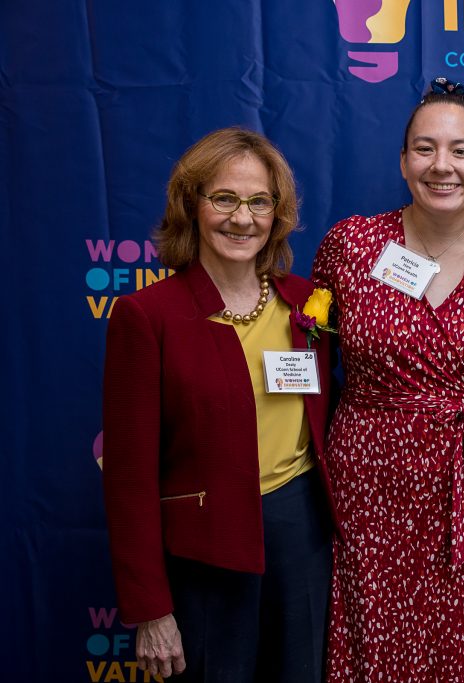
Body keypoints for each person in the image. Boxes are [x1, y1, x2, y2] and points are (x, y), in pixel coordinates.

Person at [311, 78, 464, 681]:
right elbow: (310, 353)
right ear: (403, 160)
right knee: (377, 643)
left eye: (460, 150)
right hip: (372, 483)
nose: (442, 166)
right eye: (424, 148)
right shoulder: (352, 245)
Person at [103, 128, 336, 682]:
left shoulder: (308, 303)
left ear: (277, 213)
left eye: (259, 201)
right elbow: (129, 478)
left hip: (299, 534)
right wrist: (151, 608)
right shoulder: (147, 316)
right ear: (192, 204)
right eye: (224, 198)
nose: (242, 218)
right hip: (205, 547)